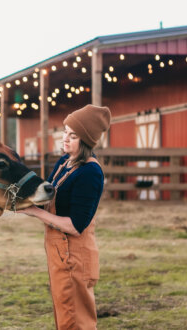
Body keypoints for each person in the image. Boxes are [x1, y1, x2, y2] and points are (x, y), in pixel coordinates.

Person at [18, 104, 111, 330]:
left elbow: (75, 225)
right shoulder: (65, 162)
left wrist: (35, 212)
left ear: (87, 140)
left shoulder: (90, 172)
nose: (65, 139)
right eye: (65, 132)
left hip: (75, 256)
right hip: (59, 253)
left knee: (76, 321)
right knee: (65, 317)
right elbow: (47, 193)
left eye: (74, 135)